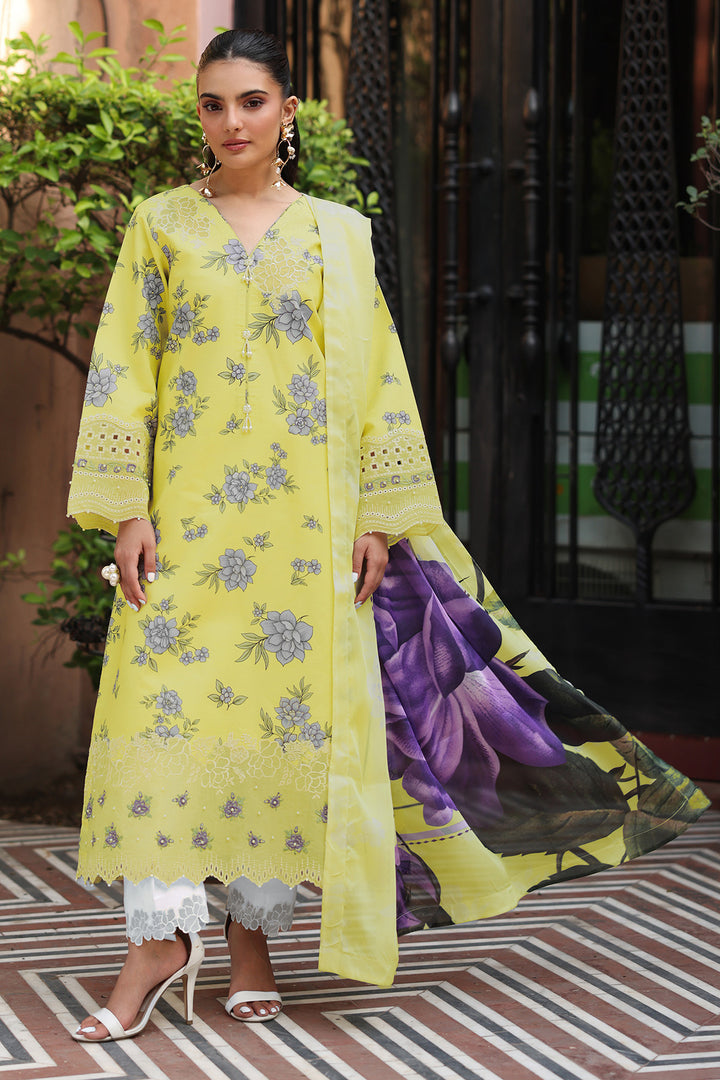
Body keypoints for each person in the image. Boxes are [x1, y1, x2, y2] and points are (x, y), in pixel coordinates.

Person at [66, 28, 709, 1043]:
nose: (231, 121)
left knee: (280, 732)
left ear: (289, 113)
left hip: (304, 530)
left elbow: (378, 385)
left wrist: (378, 519)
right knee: (162, 725)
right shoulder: (161, 225)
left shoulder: (336, 234)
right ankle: (158, 941)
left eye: (252, 101)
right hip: (187, 525)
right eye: (213, 104)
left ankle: (249, 940)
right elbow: (123, 366)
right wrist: (128, 510)